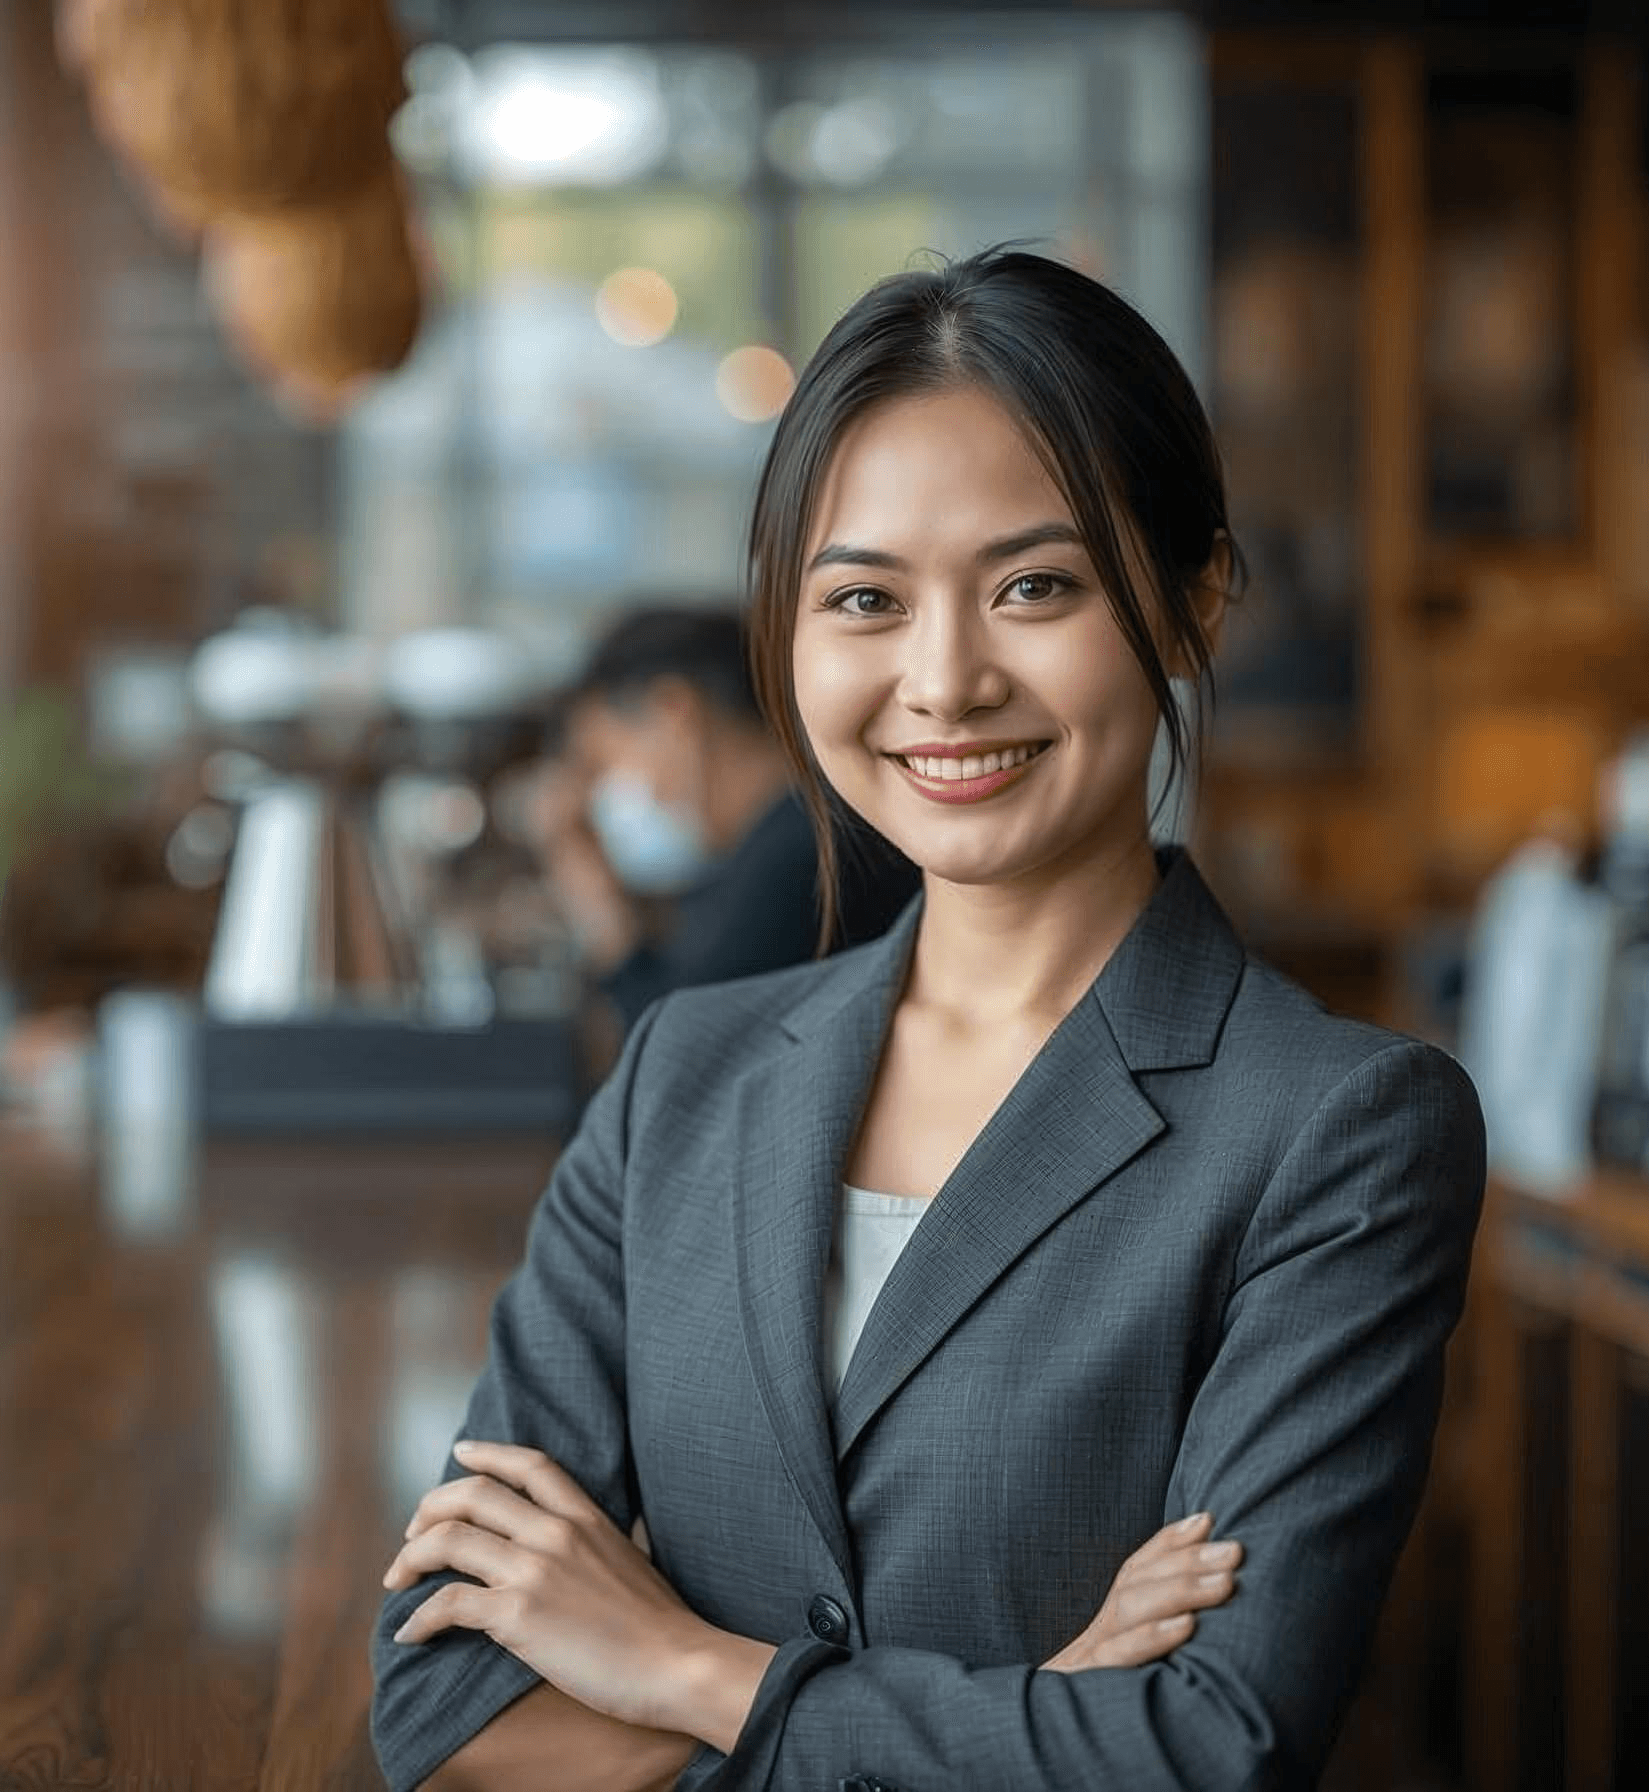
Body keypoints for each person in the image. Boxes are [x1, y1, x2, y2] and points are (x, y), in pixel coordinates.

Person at [368, 248, 1487, 1790]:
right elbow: (443, 1710)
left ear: (1190, 600)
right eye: (866, 600)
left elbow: (1201, 1753)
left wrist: (682, 1667)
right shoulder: (683, 1076)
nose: (944, 680)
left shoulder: (1337, 1128)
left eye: (1037, 585)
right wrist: (1026, 1719)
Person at [536, 606, 919, 1032]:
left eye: (603, 762)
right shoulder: (782, 838)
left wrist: (597, 903)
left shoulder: (799, 855)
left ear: (673, 712)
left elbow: (681, 1053)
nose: (599, 795)